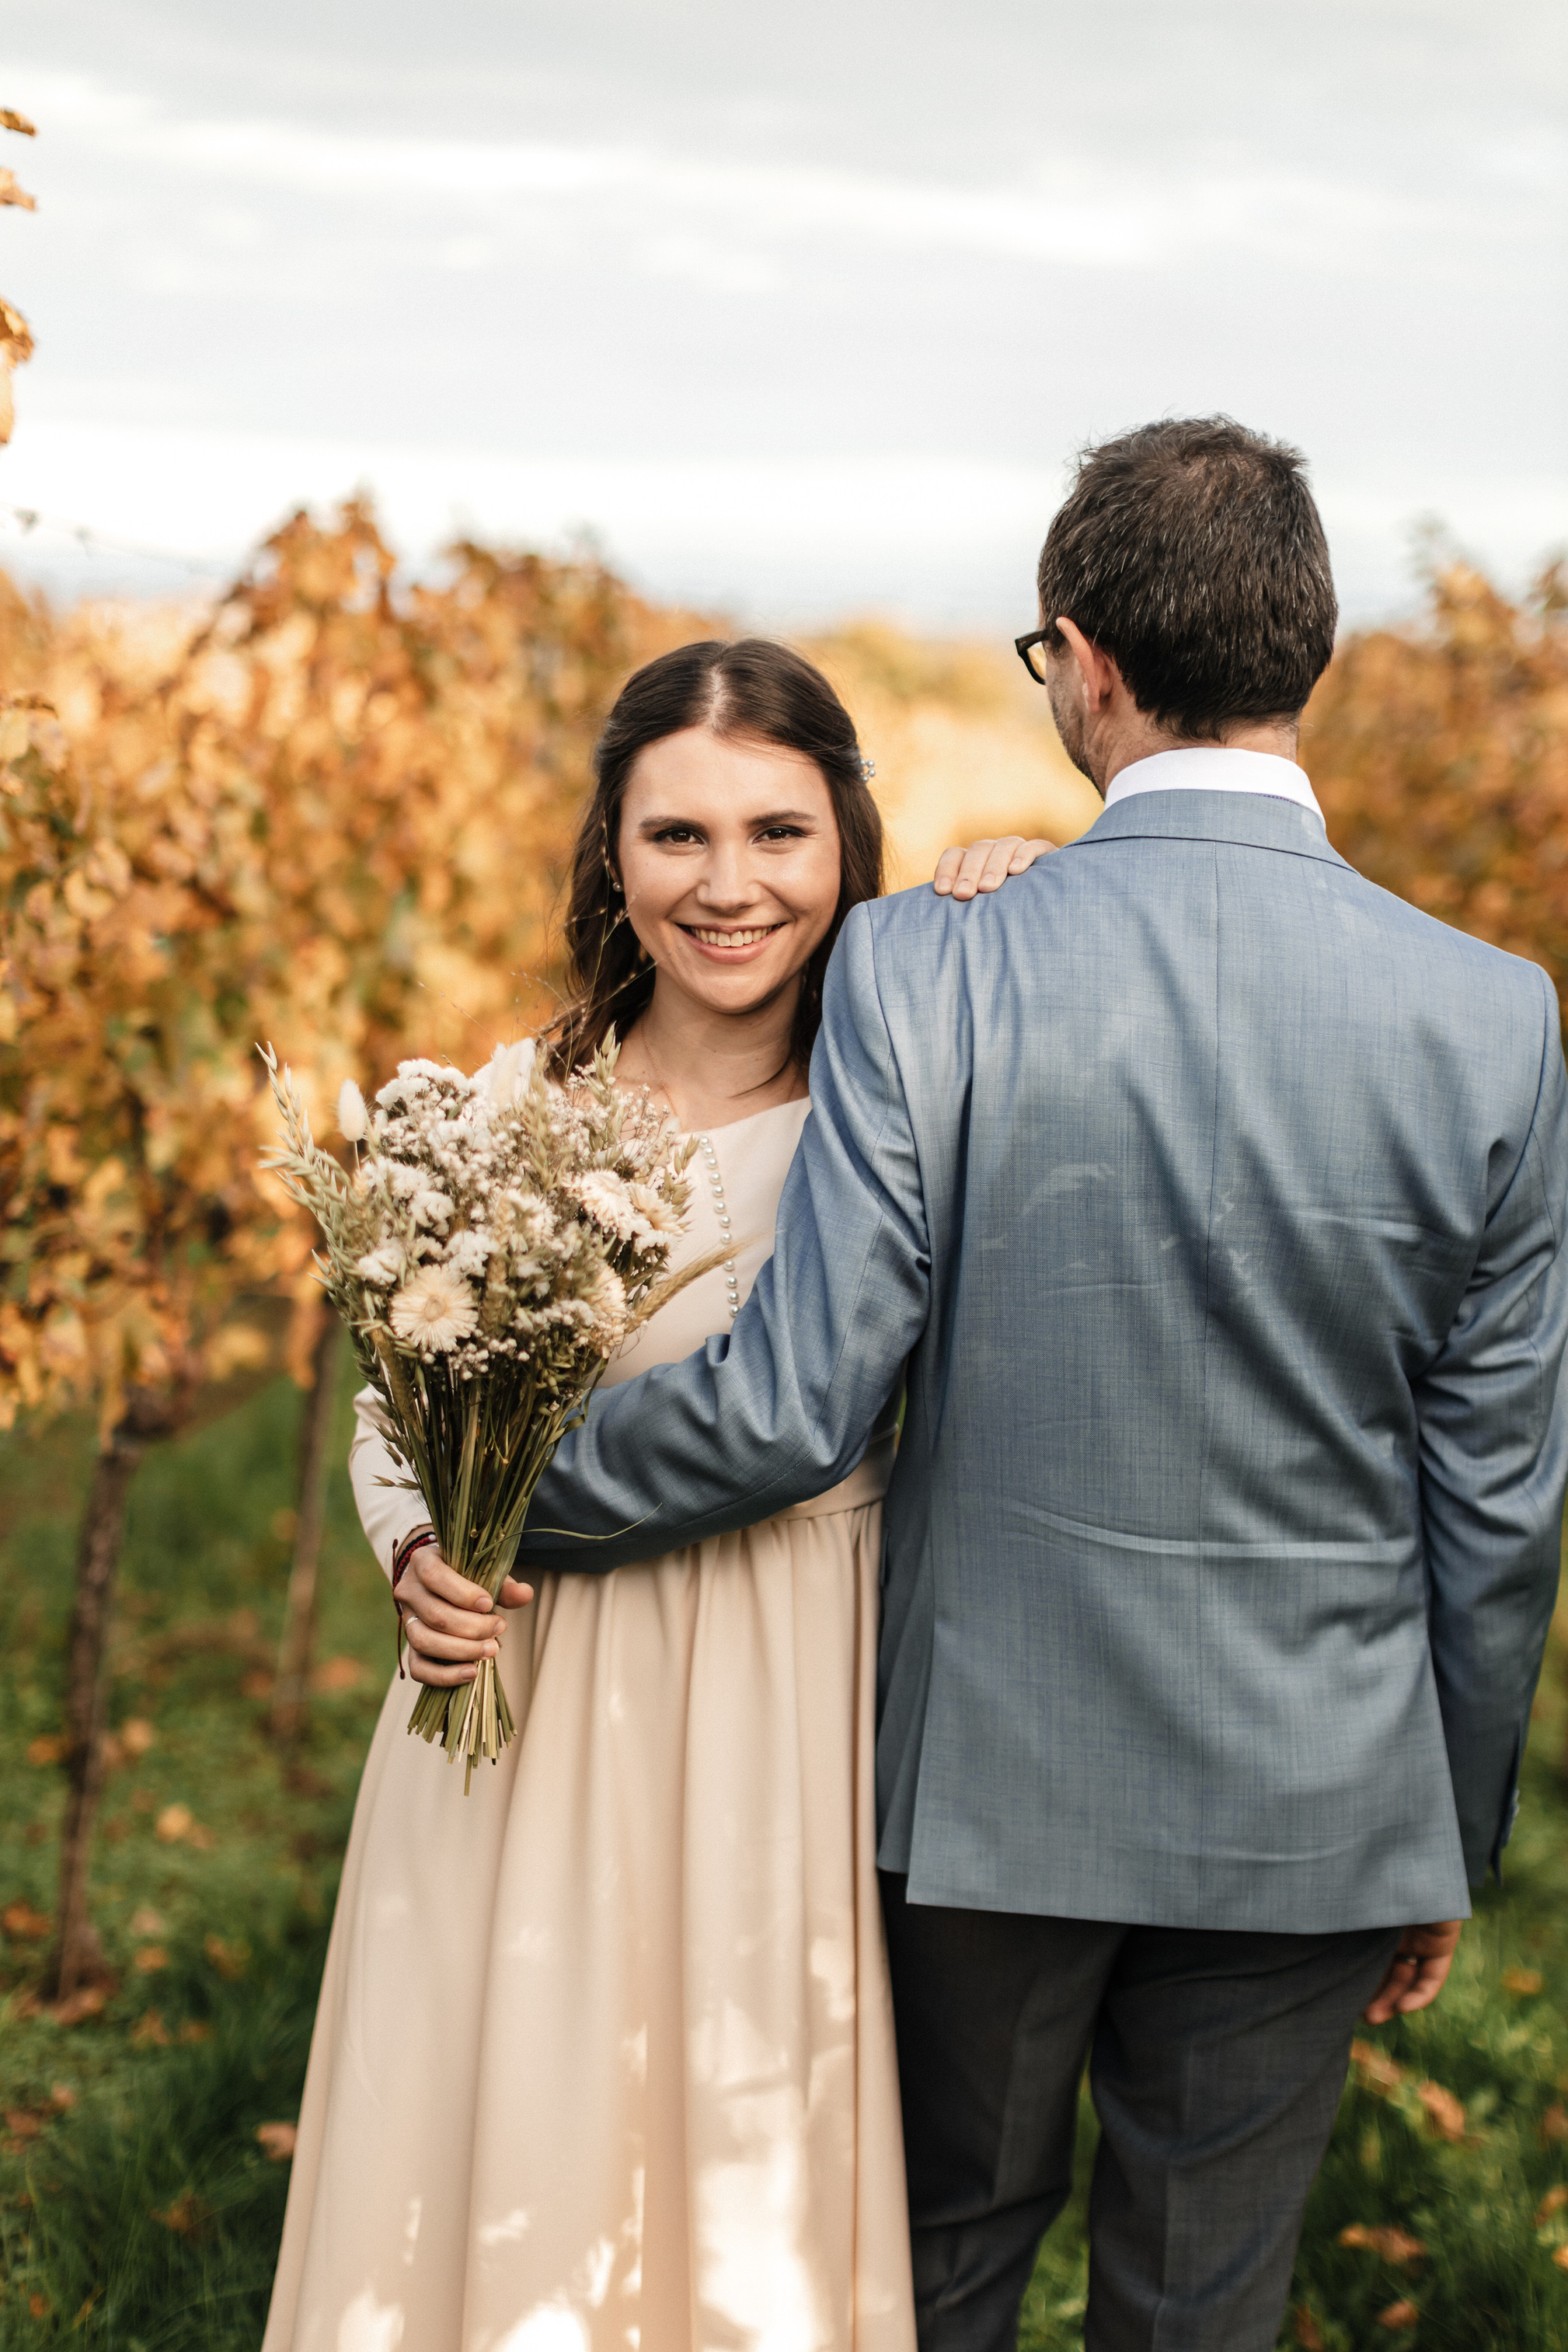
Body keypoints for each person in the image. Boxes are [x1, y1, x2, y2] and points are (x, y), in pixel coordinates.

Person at [508, 419, 1568, 2351]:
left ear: (1081, 660)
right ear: (1312, 651)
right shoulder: (1497, 1016)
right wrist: (1444, 1826)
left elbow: (790, 1406)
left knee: (939, 2269)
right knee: (1204, 2306)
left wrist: (497, 1478)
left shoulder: (925, 968)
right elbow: (1496, 1502)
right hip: (1320, 1797)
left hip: (982, 1792)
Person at [261, 635, 1049, 2352]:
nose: (728, 885)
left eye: (779, 833)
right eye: (677, 834)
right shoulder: (513, 1099)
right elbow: (401, 1395)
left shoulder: (898, 1105)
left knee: (738, 2128)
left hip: (790, 1676)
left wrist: (1018, 887)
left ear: (847, 842)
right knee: (509, 2097)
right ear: (612, 854)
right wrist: (416, 1543)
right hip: (529, 1679)